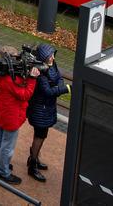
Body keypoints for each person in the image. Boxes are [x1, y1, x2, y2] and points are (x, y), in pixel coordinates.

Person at [0, 52, 40, 185]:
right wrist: (32, 79)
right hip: (11, 116)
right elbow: (25, 94)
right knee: (8, 145)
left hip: (1, 112)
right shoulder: (10, 80)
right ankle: (3, 172)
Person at [25, 44, 69, 182]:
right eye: (50, 56)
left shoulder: (52, 65)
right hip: (40, 109)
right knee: (40, 135)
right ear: (44, 58)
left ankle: (34, 158)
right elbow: (48, 92)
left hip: (45, 108)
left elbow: (59, 78)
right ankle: (32, 165)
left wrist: (58, 86)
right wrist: (65, 89)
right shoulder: (40, 72)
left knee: (41, 135)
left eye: (53, 55)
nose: (53, 58)